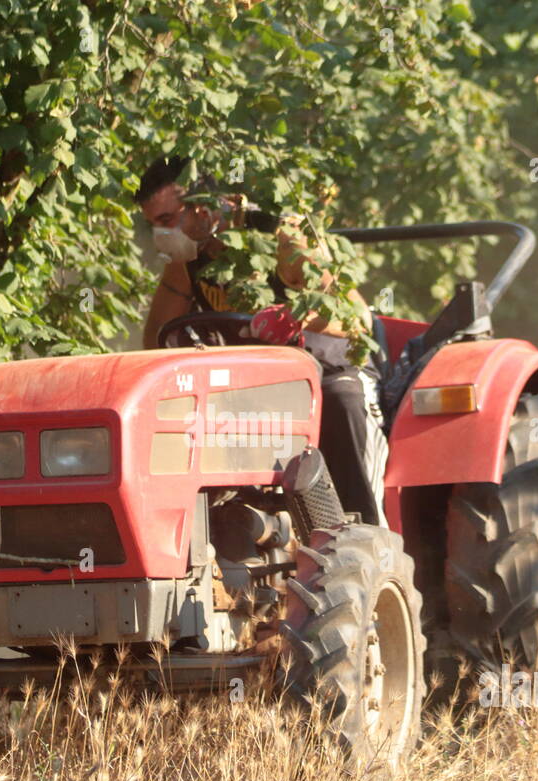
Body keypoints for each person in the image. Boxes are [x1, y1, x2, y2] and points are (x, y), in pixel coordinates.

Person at [133, 156, 388, 526]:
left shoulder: (282, 238)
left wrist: (292, 319)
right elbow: (158, 337)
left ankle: (367, 533)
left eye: (166, 221)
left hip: (327, 371)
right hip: (251, 385)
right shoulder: (187, 262)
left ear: (203, 209)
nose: (161, 234)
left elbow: (356, 317)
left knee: (340, 399)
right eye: (154, 224)